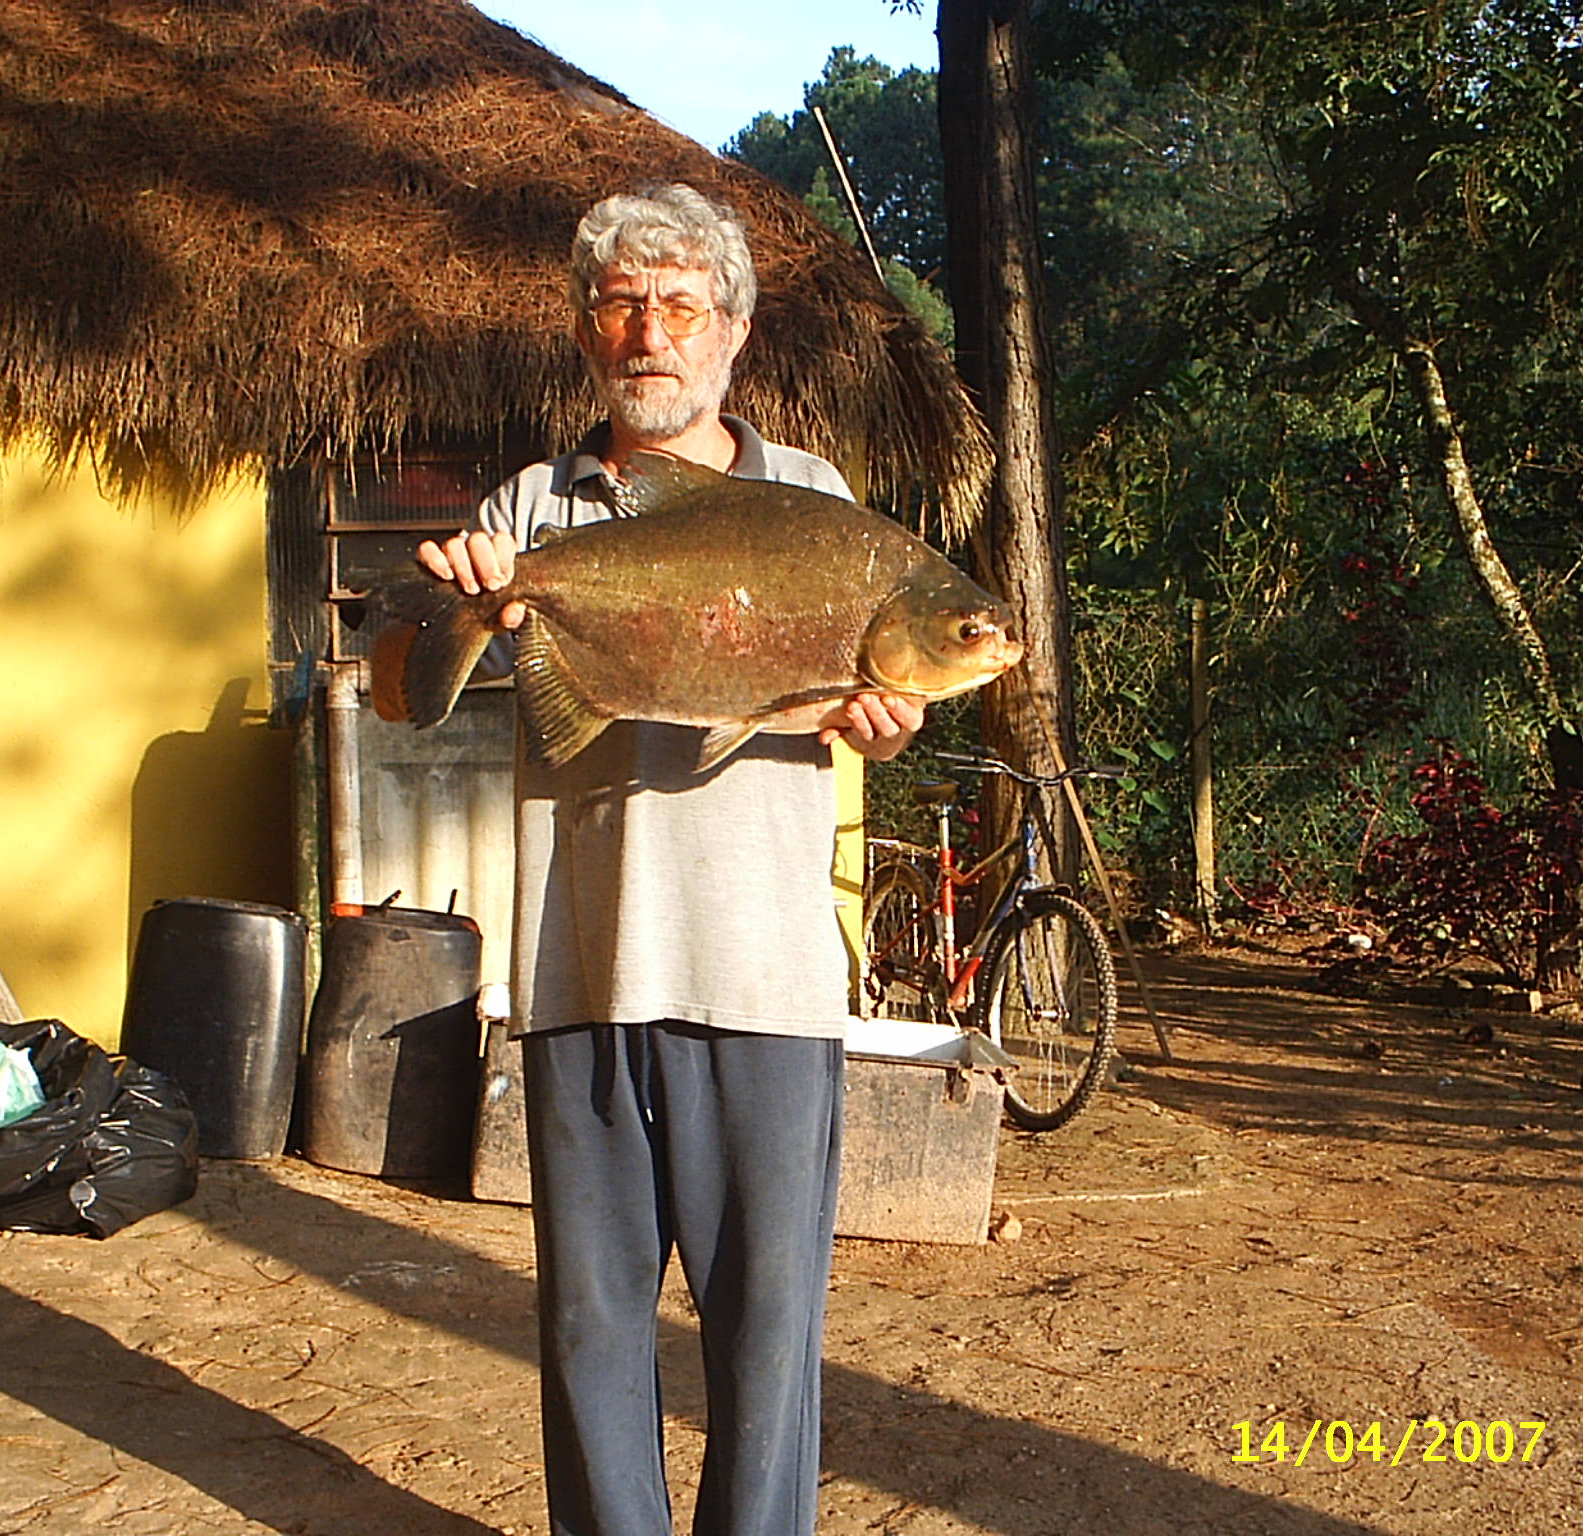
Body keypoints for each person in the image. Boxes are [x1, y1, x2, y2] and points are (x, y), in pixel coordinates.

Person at [417, 183, 924, 1536]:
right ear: (587, 327)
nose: (650, 332)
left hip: (764, 986)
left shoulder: (815, 502)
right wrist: (465, 608)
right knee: (590, 1326)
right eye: (621, 303)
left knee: (767, 1332)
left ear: (735, 328)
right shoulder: (533, 507)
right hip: (581, 974)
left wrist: (887, 713)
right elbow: (409, 691)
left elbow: (873, 704)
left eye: (679, 304)